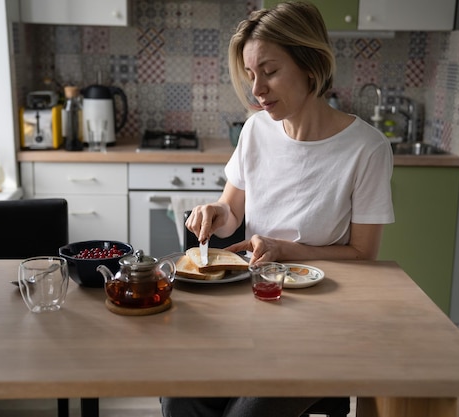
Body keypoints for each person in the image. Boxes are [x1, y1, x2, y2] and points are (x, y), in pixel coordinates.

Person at [162, 1, 394, 416]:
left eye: (269, 72)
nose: (257, 90)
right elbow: (230, 211)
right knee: (180, 393)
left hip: (322, 325)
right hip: (253, 308)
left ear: (310, 65)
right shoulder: (255, 131)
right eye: (251, 75)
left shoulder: (366, 148)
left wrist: (285, 249)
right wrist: (215, 211)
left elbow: (364, 255)